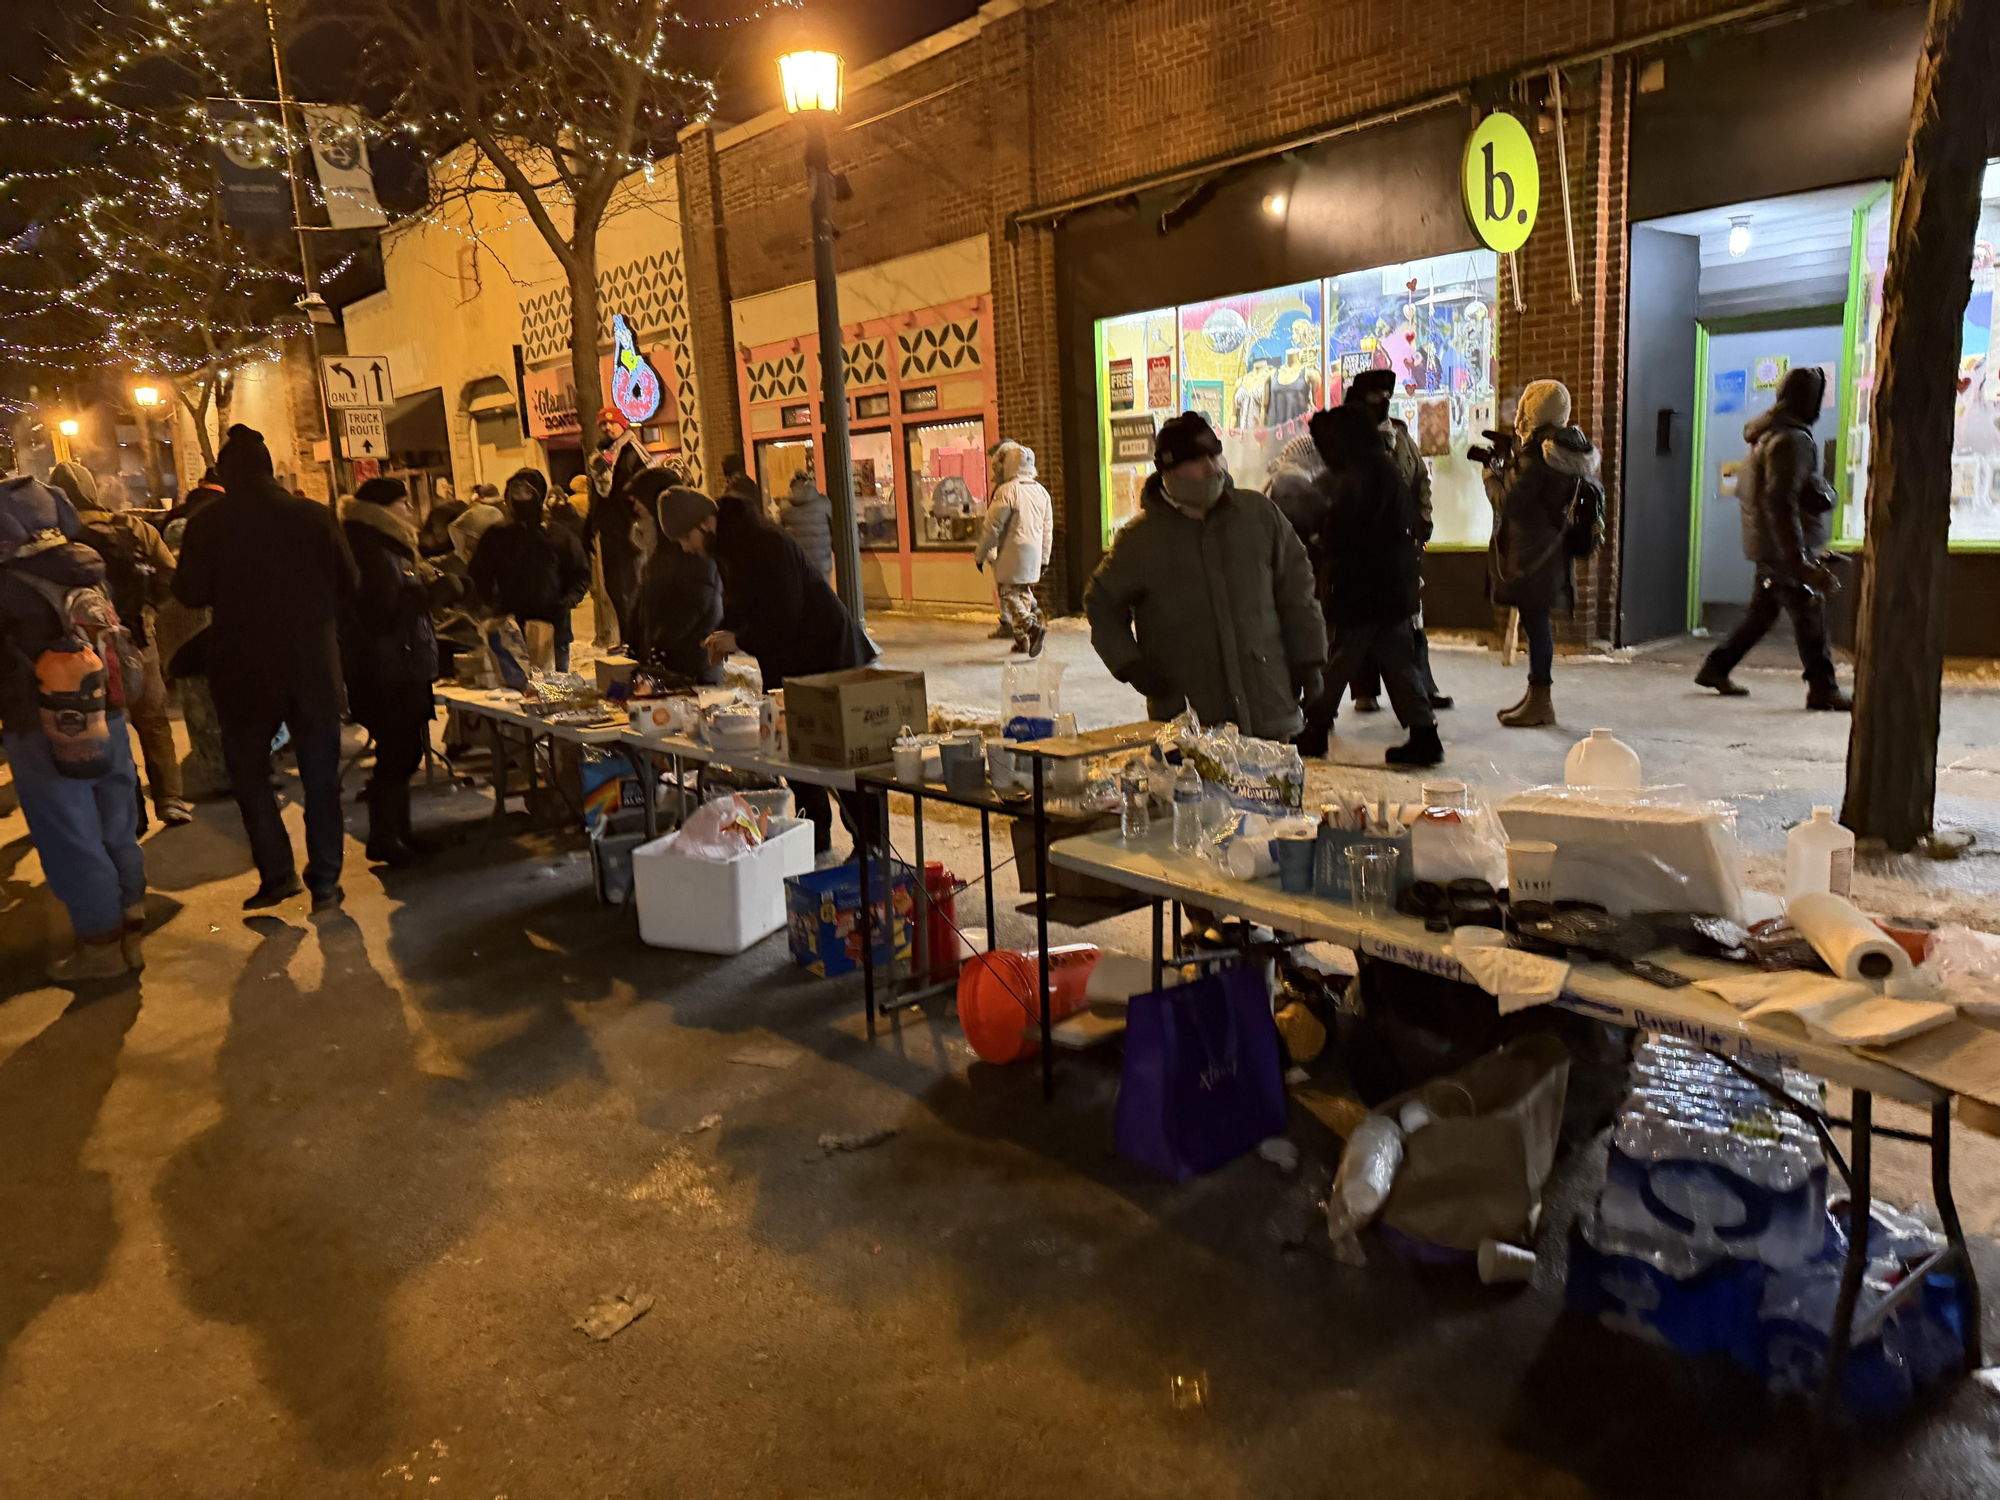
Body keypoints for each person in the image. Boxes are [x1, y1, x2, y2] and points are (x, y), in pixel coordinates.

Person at [172, 423, 359, 911]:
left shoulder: (209, 524)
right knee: (321, 780)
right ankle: (326, 880)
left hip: (244, 667)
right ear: (271, 469)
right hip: (313, 665)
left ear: (228, 476)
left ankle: (277, 874)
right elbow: (349, 582)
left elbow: (189, 592)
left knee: (251, 775)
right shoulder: (314, 516)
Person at [1084, 410, 1326, 741]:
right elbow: (1101, 603)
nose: (1212, 467)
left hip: (1267, 708)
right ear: (1168, 470)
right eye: (1197, 460)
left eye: (1215, 455)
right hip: (1190, 721)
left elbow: (1297, 595)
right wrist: (1131, 664)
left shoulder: (1258, 516)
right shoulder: (1141, 540)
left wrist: (1310, 664)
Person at [0, 474, 149, 979]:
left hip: (39, 722)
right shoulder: (87, 569)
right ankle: (131, 925)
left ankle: (100, 948)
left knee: (69, 835)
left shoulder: (6, 585)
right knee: (116, 825)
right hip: (104, 710)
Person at [706, 489, 876, 854]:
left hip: (827, 656)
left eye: (690, 536)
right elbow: (740, 607)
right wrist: (723, 633)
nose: (690, 546)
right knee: (796, 752)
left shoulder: (769, 546)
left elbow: (784, 613)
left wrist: (739, 639)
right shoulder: (732, 552)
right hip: (789, 663)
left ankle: (869, 844)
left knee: (838, 756)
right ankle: (814, 834)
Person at [1695, 366, 1850, 710]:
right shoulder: (1792, 440)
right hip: (1783, 548)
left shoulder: (1766, 436)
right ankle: (1822, 688)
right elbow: (1781, 503)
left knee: (1761, 615)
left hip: (1769, 546)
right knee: (1808, 608)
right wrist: (1799, 561)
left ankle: (1716, 667)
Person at [1297, 404, 1442, 767]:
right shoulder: (1379, 466)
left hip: (1365, 588)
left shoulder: (1361, 474)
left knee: (1341, 660)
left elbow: (1349, 530)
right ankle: (1425, 734)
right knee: (1397, 661)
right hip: (1388, 585)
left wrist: (1321, 533)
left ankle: (1314, 728)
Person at [50, 460, 192, 827]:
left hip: (87, 652)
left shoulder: (59, 542)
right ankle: (170, 800)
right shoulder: (135, 528)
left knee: (110, 725)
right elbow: (169, 574)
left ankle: (133, 811)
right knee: (154, 721)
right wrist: (149, 609)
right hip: (138, 639)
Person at [340, 477, 451, 867]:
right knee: (397, 752)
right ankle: (387, 838)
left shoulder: (390, 542)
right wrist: (428, 596)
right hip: (385, 669)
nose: (410, 509)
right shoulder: (368, 546)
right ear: (383, 508)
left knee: (404, 752)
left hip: (401, 664)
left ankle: (398, 833)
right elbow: (380, 611)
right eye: (404, 502)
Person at [1485, 380, 1600, 729]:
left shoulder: (1538, 457)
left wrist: (1491, 474)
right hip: (1549, 557)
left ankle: (1540, 701)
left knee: (1537, 628)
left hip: (1533, 557)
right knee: (1538, 627)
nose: (1519, 415)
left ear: (1534, 412)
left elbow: (1510, 503)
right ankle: (1536, 696)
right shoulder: (1563, 452)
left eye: (1525, 408)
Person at [1341, 371, 1451, 714]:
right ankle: (1363, 690)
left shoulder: (1400, 435)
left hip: (1402, 545)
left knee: (1411, 616)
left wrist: (1423, 526)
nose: (1384, 403)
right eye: (1375, 397)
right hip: (1360, 549)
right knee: (1360, 621)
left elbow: (1420, 480)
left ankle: (1422, 685)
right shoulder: (1345, 440)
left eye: (1387, 396)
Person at [469, 468, 591, 672]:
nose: (520, 497)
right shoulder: (497, 536)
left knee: (554, 688)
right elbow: (479, 574)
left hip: (553, 627)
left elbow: (580, 573)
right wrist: (490, 606)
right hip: (510, 628)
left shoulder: (558, 535)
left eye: (526, 491)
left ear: (537, 495)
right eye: (515, 491)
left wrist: (567, 601)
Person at [630, 475, 724, 685]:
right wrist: (635, 643)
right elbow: (645, 601)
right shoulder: (661, 552)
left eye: (640, 501)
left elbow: (693, 605)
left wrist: (661, 647)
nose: (636, 507)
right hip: (670, 663)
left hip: (692, 667)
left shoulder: (697, 556)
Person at [973, 440, 1052, 656]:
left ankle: (1031, 628)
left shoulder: (1007, 491)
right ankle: (1021, 641)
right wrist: (1044, 558)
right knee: (1024, 594)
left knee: (1008, 593)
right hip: (1034, 553)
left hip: (1011, 552)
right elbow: (1047, 529)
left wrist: (981, 554)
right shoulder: (1042, 492)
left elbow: (992, 527)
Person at [779, 468, 834, 581]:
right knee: (823, 596)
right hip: (821, 563)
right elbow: (835, 530)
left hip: (797, 564)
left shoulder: (784, 506)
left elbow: (781, 535)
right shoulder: (824, 503)